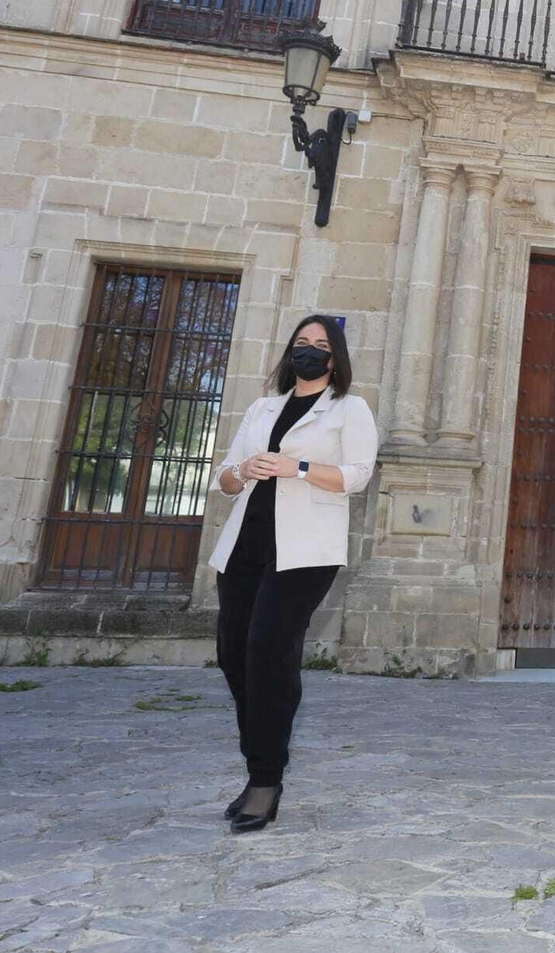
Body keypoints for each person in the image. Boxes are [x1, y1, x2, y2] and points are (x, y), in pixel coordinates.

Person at [208, 314, 378, 833]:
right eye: (301, 343)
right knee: (234, 656)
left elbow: (357, 476)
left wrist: (296, 468)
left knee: (268, 651)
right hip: (245, 545)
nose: (309, 351)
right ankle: (258, 760)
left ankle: (265, 780)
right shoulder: (263, 407)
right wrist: (244, 470)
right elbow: (224, 478)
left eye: (320, 345)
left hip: (304, 551)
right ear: (290, 353)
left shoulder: (350, 409)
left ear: (334, 358)